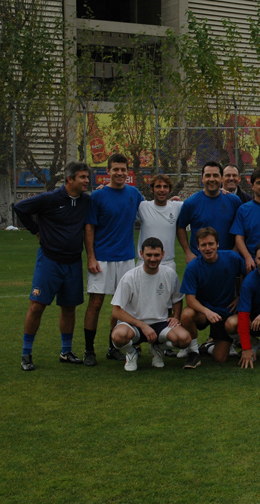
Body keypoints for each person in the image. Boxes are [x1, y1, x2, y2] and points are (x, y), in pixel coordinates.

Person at [15, 161, 91, 371]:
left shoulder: (86, 201)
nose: (87, 180)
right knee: (37, 305)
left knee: (69, 307)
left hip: (73, 262)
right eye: (82, 177)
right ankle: (26, 353)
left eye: (87, 177)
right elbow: (20, 208)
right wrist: (36, 231)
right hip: (50, 260)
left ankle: (66, 351)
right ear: (69, 179)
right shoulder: (50, 198)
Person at [84, 153, 144, 365]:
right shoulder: (98, 196)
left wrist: (173, 202)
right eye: (115, 169)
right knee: (96, 302)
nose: (119, 173)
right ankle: (89, 350)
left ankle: (113, 346)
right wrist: (91, 257)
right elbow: (89, 227)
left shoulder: (134, 194)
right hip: (102, 258)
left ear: (128, 173)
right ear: (107, 172)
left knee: (122, 305)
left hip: (126, 258)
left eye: (123, 169)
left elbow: (152, 210)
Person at [109, 237, 189, 372]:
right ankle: (132, 352)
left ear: (163, 255)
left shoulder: (170, 274)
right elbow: (116, 311)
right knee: (118, 336)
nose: (153, 259)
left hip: (161, 324)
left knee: (184, 339)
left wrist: (176, 316)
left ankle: (158, 348)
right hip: (134, 325)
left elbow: (177, 298)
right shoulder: (130, 277)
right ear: (141, 254)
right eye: (149, 255)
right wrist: (142, 325)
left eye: (157, 255)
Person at [179, 228, 247, 367]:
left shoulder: (232, 258)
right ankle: (193, 352)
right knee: (186, 314)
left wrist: (240, 296)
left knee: (220, 358)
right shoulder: (193, 267)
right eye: (203, 245)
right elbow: (190, 300)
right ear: (198, 247)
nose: (207, 248)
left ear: (218, 244)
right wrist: (207, 311)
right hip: (204, 312)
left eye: (211, 244)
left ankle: (208, 347)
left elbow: (249, 276)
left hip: (225, 312)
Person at [177, 162, 242, 261]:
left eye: (215, 175)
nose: (211, 179)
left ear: (221, 179)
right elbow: (180, 227)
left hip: (227, 261)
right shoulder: (191, 203)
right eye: (208, 176)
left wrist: (234, 251)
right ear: (202, 179)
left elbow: (241, 228)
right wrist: (187, 252)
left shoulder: (234, 201)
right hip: (200, 261)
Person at [136, 174, 183, 271]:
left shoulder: (177, 207)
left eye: (165, 187)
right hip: (144, 263)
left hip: (168, 264)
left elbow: (199, 203)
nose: (162, 190)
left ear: (170, 190)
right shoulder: (143, 206)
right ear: (152, 189)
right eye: (158, 186)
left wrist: (221, 190)